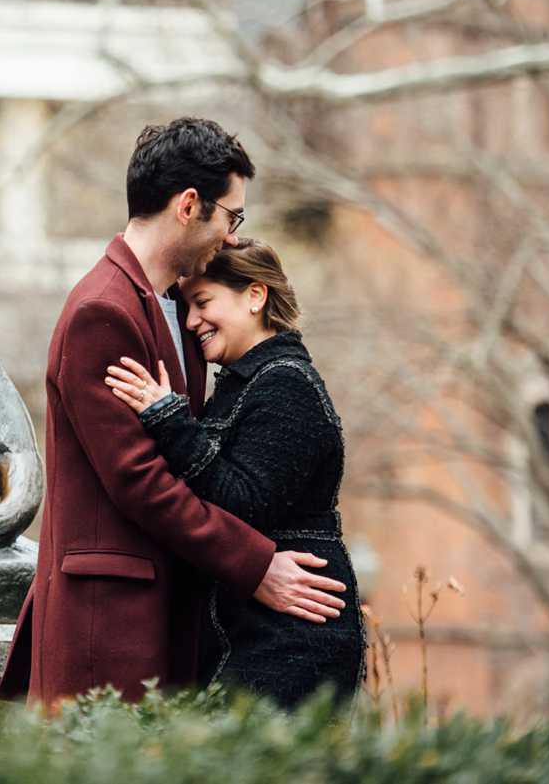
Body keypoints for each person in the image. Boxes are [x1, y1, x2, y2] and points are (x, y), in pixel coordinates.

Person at [0, 118, 347, 709]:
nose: (233, 240)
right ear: (189, 206)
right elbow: (142, 483)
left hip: (178, 621)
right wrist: (256, 566)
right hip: (110, 622)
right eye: (231, 217)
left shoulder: (178, 315)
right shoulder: (101, 312)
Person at [104, 238, 365, 708]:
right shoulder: (243, 384)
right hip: (255, 629)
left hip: (294, 638)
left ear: (255, 296)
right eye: (186, 307)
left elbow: (244, 504)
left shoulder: (287, 384)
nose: (191, 321)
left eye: (204, 302)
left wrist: (168, 419)